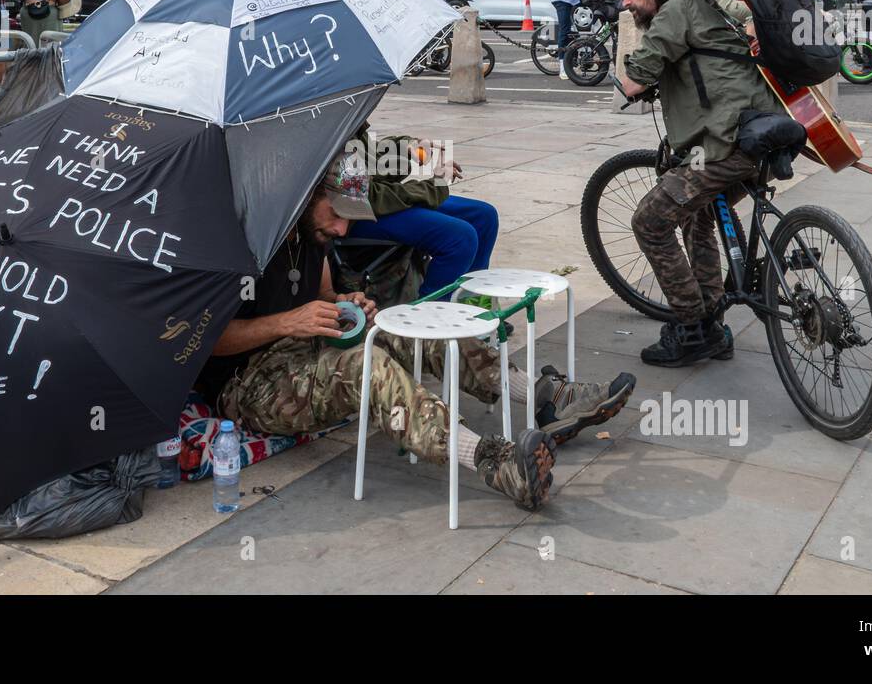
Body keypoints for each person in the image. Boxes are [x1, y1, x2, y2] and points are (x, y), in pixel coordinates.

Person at [197, 151, 637, 511]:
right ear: (304, 196)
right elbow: (207, 343)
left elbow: (326, 294)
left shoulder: (311, 236)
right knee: (364, 367)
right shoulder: (240, 241)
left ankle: (546, 397)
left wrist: (347, 305)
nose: (341, 229)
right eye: (335, 215)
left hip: (305, 346)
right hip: (248, 381)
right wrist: (286, 322)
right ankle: (495, 463)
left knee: (413, 324)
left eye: (350, 219)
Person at [617, 0, 782, 366]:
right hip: (761, 130)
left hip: (722, 145)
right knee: (697, 215)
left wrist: (623, 71)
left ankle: (691, 328)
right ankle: (711, 320)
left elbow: (635, 81)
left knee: (650, 222)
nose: (626, 3)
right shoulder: (705, 2)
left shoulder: (673, 11)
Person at [345, 130, 498, 298]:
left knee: (483, 216)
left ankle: (470, 304)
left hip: (378, 202)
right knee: (460, 237)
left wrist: (405, 147)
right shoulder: (332, 126)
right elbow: (369, 195)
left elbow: (371, 159)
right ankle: (430, 314)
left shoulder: (351, 120)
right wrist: (434, 185)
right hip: (357, 215)